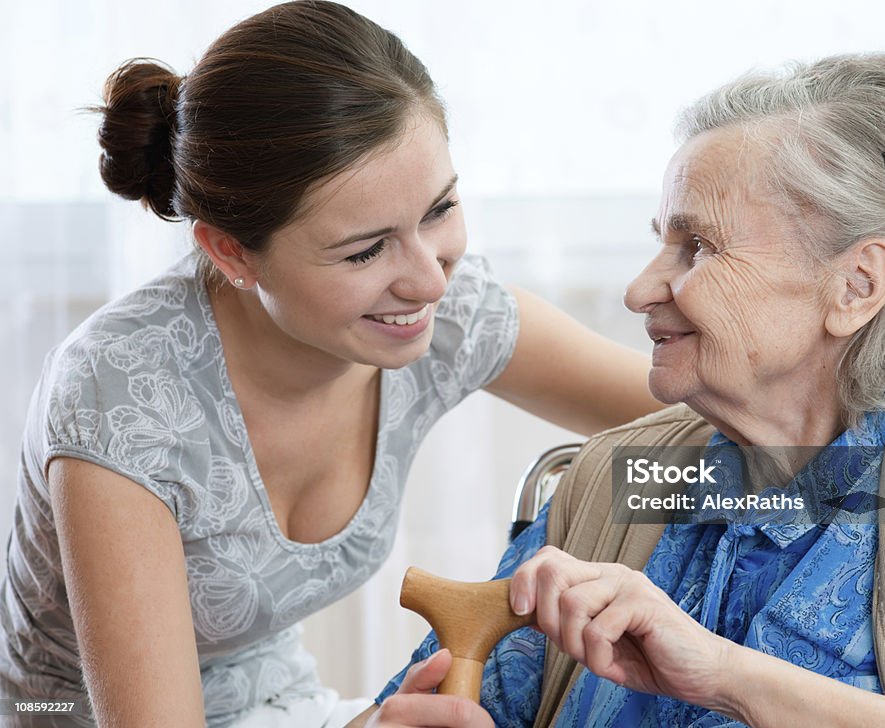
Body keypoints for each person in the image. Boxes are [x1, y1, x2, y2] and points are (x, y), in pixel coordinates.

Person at [0, 3, 666, 726]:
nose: (430, 280)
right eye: (364, 250)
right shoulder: (118, 397)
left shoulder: (447, 314)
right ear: (230, 252)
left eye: (439, 208)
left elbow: (719, 426)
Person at [365, 52, 885, 727]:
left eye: (698, 247)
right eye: (662, 243)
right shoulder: (621, 478)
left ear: (856, 286)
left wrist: (725, 676)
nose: (640, 290)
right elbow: (426, 707)